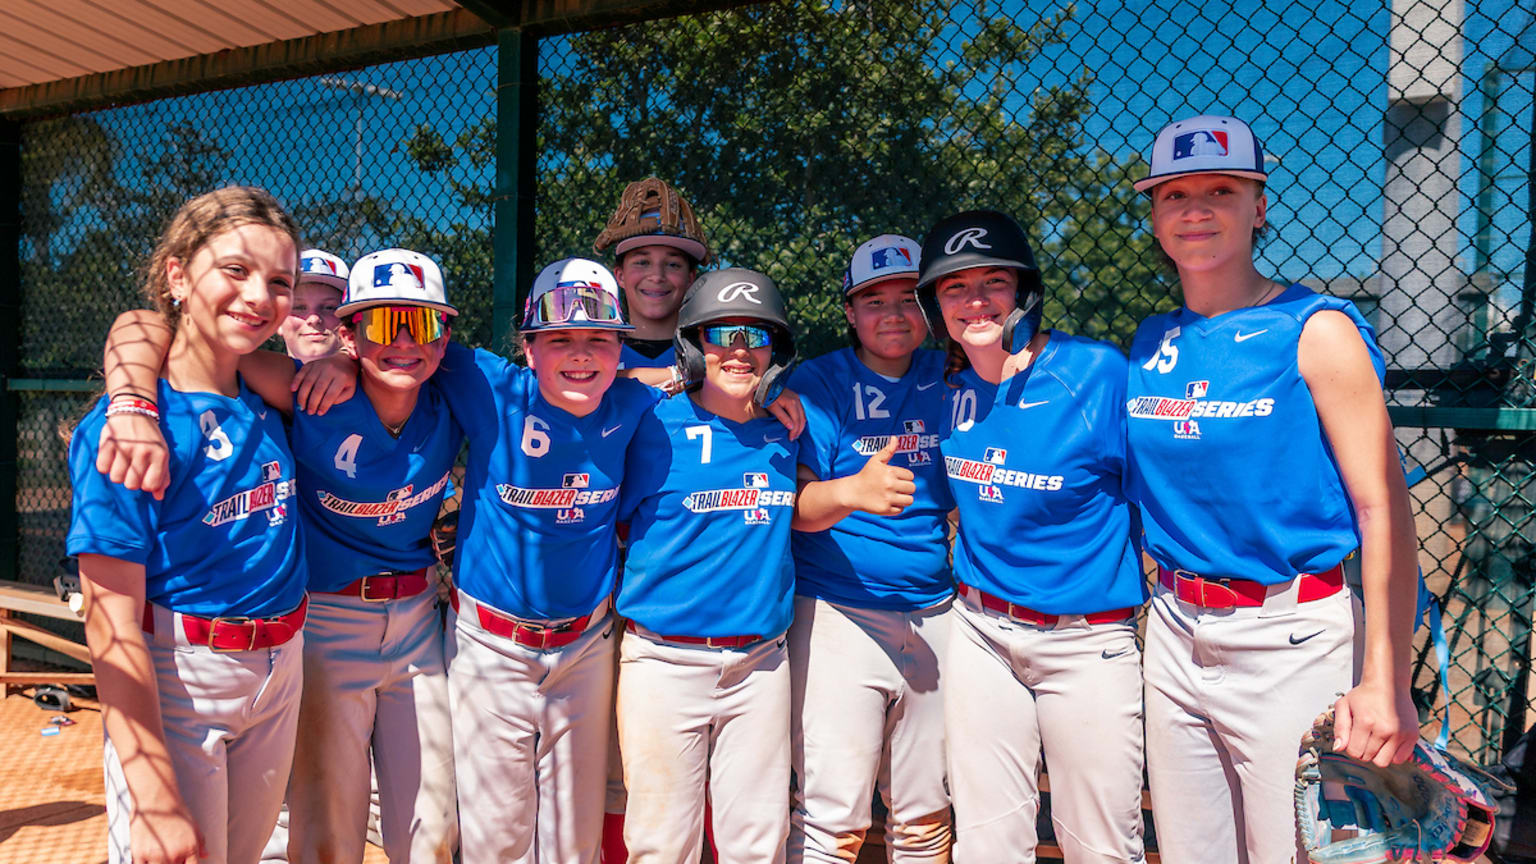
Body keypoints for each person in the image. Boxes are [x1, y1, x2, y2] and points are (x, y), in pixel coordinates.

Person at [94, 248, 464, 863]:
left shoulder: (449, 388)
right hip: (317, 620)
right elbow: (152, 327)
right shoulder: (297, 394)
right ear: (351, 330)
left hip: (418, 618)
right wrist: (131, 402)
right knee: (322, 828)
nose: (402, 339)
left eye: (421, 323)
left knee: (433, 824)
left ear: (445, 334)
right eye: (376, 323)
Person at [1125, 113, 1420, 864]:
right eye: (1174, 194)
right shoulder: (1151, 339)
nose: (1196, 209)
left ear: (1258, 207)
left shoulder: (1316, 328)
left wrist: (1385, 681)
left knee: (1301, 854)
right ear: (1155, 215)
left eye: (1221, 189)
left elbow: (1383, 507)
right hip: (1177, 630)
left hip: (1292, 635)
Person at [67, 186, 307, 864]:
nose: (260, 296)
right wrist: (151, 796)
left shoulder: (269, 397)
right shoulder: (127, 430)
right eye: (234, 269)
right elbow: (109, 624)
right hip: (181, 676)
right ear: (176, 275)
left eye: (279, 281)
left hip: (279, 668)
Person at [919, 210, 1147, 862]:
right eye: (954, 287)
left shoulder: (1095, 375)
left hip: (1087, 640)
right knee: (987, 842)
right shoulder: (944, 389)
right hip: (982, 633)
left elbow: (1164, 494)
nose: (976, 301)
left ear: (1025, 291)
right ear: (936, 304)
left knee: (1099, 845)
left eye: (994, 281)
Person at [434, 257, 666, 864]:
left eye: (599, 339)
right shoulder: (490, 386)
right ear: (529, 349)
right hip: (490, 645)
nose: (581, 355)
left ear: (621, 349)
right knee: (496, 839)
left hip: (584, 648)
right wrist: (331, 360)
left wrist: (780, 392)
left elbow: (713, 379)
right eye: (559, 339)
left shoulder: (636, 405)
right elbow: (403, 347)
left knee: (573, 841)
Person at [614, 268, 806, 862]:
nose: (740, 349)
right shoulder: (649, 423)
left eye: (757, 334)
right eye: (722, 332)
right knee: (662, 844)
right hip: (664, 660)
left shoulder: (789, 427)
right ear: (693, 344)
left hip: (760, 664)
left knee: (757, 841)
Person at [785, 234, 955, 860]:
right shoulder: (819, 382)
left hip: (938, 613)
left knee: (926, 815)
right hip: (839, 612)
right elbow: (796, 509)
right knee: (833, 817)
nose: (892, 314)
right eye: (872, 300)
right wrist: (854, 490)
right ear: (850, 312)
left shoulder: (952, 374)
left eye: (909, 299)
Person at [594, 176, 710, 393]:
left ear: (690, 278)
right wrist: (685, 374)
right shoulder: (592, 350)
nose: (657, 276)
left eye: (673, 264)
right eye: (642, 262)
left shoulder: (715, 350)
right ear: (619, 276)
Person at [280, 249, 349, 362]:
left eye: (329, 307)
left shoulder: (376, 377)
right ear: (278, 322)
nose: (314, 319)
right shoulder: (247, 376)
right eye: (299, 307)